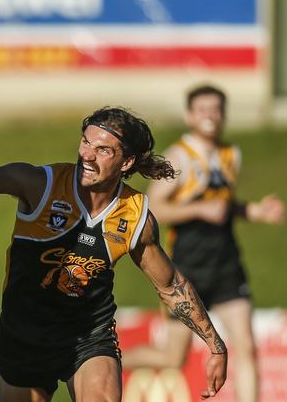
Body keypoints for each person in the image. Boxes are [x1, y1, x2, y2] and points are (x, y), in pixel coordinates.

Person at [0, 107, 228, 402]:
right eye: (86, 142)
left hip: (90, 334)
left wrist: (215, 346)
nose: (87, 154)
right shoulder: (41, 185)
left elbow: (171, 286)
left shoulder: (136, 217)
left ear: (127, 162)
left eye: (102, 150)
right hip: (25, 333)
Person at [122, 85, 284, 401]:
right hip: (188, 267)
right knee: (172, 358)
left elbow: (224, 206)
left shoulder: (230, 154)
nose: (210, 115)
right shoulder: (178, 157)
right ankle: (100, 362)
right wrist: (198, 209)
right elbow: (152, 209)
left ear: (224, 113)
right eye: (203, 109)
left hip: (226, 264)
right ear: (190, 115)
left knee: (246, 345)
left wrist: (255, 211)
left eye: (216, 109)